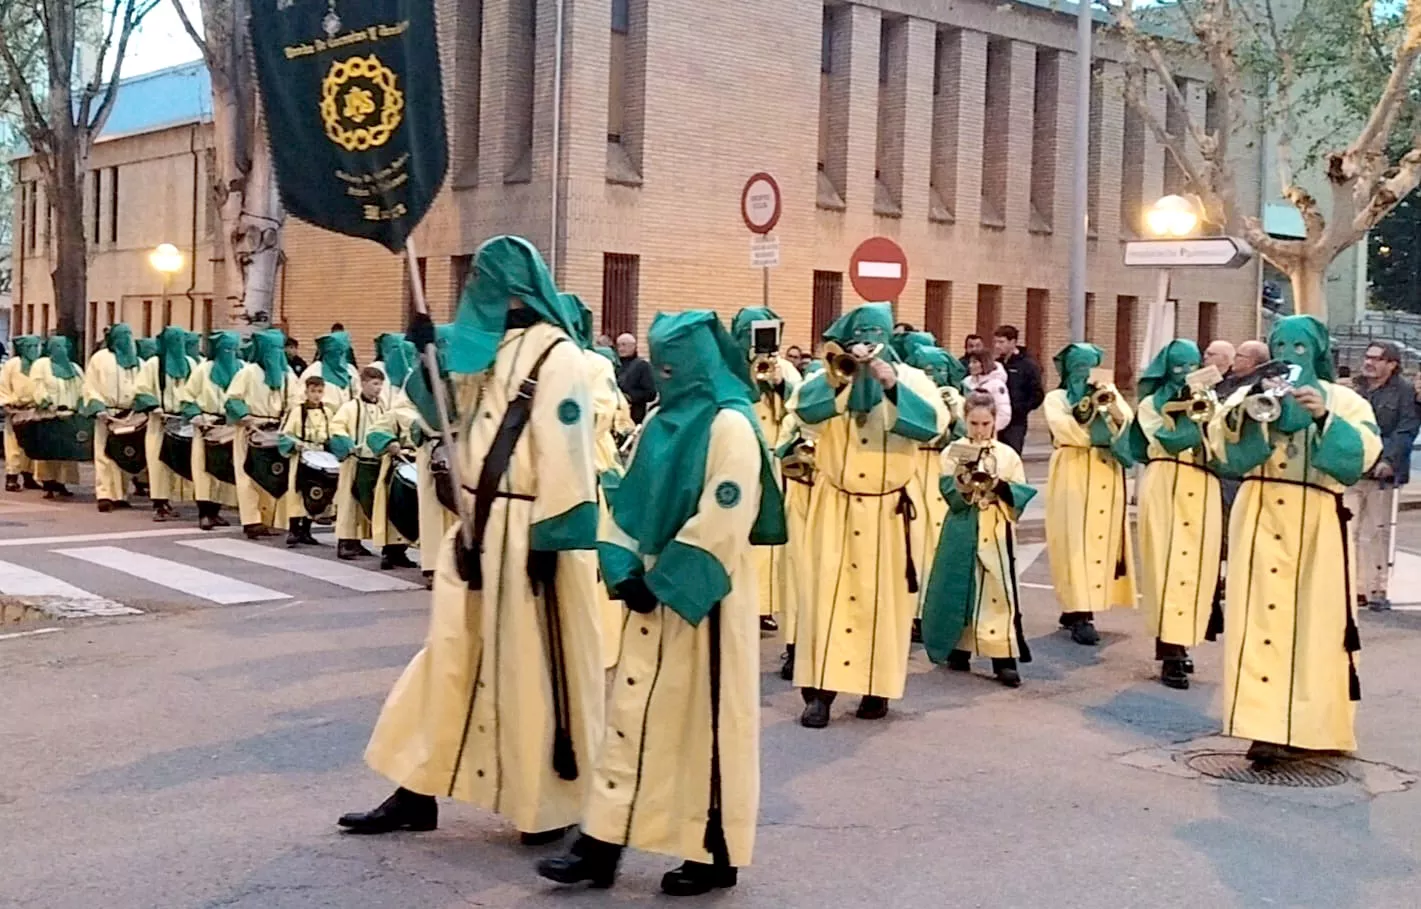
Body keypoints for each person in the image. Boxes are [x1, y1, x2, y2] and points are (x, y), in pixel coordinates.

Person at [343, 235, 604, 850]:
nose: (473, 292)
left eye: (483, 281)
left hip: (530, 531)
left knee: (534, 668)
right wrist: (426, 356)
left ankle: (551, 801)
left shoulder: (557, 356)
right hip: (477, 525)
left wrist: (555, 537)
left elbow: (568, 452)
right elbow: (444, 417)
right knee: (450, 657)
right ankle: (416, 788)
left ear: (513, 290)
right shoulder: (480, 349)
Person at [536, 310, 785, 896]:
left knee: (705, 723)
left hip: (707, 598)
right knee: (633, 717)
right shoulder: (660, 423)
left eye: (675, 365)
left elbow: (726, 515)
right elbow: (628, 500)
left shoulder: (731, 425)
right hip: (653, 590)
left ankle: (714, 848)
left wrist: (667, 581)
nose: (665, 376)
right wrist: (620, 569)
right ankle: (601, 843)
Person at [1209, 315, 1380, 766]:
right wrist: (1248, 418)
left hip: (1317, 521)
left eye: (1301, 347)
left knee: (1316, 627)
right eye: (1282, 345)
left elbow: (1363, 454)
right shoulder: (1251, 390)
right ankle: (1261, 726)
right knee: (1259, 621)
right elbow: (1222, 447)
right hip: (1261, 511)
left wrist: (1323, 416)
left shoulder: (1345, 398)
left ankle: (1312, 725)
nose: (1291, 355)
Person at [790, 303, 949, 728]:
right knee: (826, 596)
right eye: (858, 337)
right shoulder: (828, 374)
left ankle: (875, 689)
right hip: (836, 503)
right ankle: (819, 693)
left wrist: (891, 383)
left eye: (873, 336)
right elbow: (803, 412)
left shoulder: (912, 378)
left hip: (888, 507)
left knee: (885, 600)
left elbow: (934, 424)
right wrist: (841, 380)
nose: (864, 345)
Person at [921, 392, 1036, 687]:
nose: (979, 429)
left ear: (994, 422)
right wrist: (962, 480)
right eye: (973, 423)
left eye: (985, 423)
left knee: (998, 589)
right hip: (963, 523)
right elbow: (947, 490)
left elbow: (1021, 491)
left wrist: (999, 487)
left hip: (995, 527)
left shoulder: (1007, 454)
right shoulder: (952, 452)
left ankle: (1003, 657)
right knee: (961, 584)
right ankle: (960, 647)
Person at [1127, 340, 1223, 690]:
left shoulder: (1210, 398)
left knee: (1197, 565)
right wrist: (1183, 408)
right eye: (1178, 366)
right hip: (1166, 480)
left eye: (1191, 365)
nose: (1184, 372)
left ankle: (1185, 636)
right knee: (1165, 565)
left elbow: (1218, 441)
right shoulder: (1153, 404)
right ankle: (1168, 647)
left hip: (1201, 482)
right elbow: (1167, 438)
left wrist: (1210, 408)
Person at [1044, 343, 1136, 646]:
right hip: (1072, 470)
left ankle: (1084, 605)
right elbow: (1067, 430)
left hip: (1106, 473)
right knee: (1074, 541)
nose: (1084, 374)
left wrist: (1107, 403)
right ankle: (1079, 611)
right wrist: (1100, 434)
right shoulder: (1056, 398)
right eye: (1079, 367)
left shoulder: (1107, 392)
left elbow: (1125, 421)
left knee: (1101, 540)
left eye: (1090, 366)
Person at [569, 294, 635, 667]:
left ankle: (599, 642)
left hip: (590, 468)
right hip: (547, 475)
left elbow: (600, 413)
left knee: (593, 558)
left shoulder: (595, 364)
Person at [732, 306, 803, 634]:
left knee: (772, 535)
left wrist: (778, 384)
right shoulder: (732, 364)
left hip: (774, 453)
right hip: (743, 449)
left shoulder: (785, 367)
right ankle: (741, 599)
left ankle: (764, 605)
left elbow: (799, 405)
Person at [1352, 341, 1420, 611]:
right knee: (1349, 529)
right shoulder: (1356, 388)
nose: (1369, 362)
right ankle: (1353, 586)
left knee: (1377, 533)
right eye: (1367, 357)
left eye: (1376, 359)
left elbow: (1406, 428)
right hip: (1353, 470)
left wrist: (1389, 459)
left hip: (1383, 474)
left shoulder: (1404, 392)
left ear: (1392, 364)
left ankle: (1376, 587)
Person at [329, 366, 416, 569]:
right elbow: (336, 426)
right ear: (363, 383)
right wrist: (347, 444)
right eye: (374, 384)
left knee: (380, 504)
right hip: (356, 460)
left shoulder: (384, 408)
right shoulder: (350, 407)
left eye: (380, 384)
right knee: (350, 502)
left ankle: (393, 548)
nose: (377, 389)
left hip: (378, 461)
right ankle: (346, 541)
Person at [400, 322, 459, 588]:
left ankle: (460, 560)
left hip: (462, 447)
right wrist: (418, 426)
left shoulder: (461, 375)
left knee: (461, 506)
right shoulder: (414, 379)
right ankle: (434, 564)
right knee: (434, 507)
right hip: (431, 447)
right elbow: (403, 409)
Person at [225, 328, 299, 539]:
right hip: (251, 430)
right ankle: (252, 521)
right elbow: (232, 399)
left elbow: (296, 400)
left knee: (275, 474)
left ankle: (271, 519)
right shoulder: (248, 372)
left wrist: (289, 419)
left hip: (277, 430)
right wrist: (244, 414)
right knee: (248, 474)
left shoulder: (287, 375)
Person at [132, 325, 196, 521]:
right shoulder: (154, 364)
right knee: (158, 461)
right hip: (159, 421)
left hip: (182, 421)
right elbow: (141, 389)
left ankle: (172, 499)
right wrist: (153, 406)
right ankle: (159, 502)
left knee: (178, 460)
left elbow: (194, 389)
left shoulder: (190, 363)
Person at [82, 323, 144, 512]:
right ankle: (105, 494)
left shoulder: (137, 361)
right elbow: (90, 385)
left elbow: (142, 385)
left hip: (129, 414)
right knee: (104, 454)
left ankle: (121, 494)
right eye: (122, 335)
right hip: (106, 414)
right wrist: (97, 406)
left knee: (125, 453)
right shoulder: (100, 359)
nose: (126, 339)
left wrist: (139, 405)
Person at [278, 374, 335, 546]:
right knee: (298, 492)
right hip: (301, 455)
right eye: (313, 391)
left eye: (319, 391)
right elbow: (286, 434)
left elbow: (331, 433)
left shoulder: (327, 412)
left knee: (315, 491)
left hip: (319, 453)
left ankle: (307, 529)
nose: (316, 395)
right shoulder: (298, 411)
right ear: (306, 392)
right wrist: (296, 445)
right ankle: (294, 529)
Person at [26, 337, 84, 498]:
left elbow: (83, 388)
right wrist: (46, 402)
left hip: (70, 416)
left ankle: (62, 482)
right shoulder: (41, 365)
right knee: (48, 451)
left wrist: (80, 404)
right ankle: (48, 483)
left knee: (67, 452)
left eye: (65, 346)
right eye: (57, 346)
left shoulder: (75, 368)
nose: (62, 349)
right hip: (49, 415)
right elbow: (37, 385)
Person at [993, 326, 1044, 453]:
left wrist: (1020, 409)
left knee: (1011, 455)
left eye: (1001, 342)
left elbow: (1037, 394)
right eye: (996, 342)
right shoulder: (997, 364)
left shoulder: (1027, 365)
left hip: (1016, 423)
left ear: (1013, 342)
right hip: (996, 419)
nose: (997, 346)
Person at [1, 335, 42, 491]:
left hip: (34, 410)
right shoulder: (12, 365)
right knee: (14, 445)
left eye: (35, 347)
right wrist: (6, 404)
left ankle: (29, 476)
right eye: (30, 347)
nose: (33, 350)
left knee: (32, 444)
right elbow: (3, 385)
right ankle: (12, 477)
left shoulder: (39, 365)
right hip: (16, 409)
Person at [301, 330, 359, 410]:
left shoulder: (351, 371)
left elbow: (358, 396)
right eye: (336, 352)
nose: (339, 357)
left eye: (342, 353)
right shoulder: (313, 371)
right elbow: (301, 399)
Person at [963, 349, 1012, 432]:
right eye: (970, 362)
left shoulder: (996, 384)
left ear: (984, 363)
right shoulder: (966, 382)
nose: (970, 365)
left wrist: (989, 429)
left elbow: (1003, 413)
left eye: (975, 362)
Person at [615, 333, 657, 423]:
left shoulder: (642, 366)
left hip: (634, 417)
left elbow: (651, 393)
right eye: (618, 345)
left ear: (633, 346)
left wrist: (629, 397)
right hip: (618, 417)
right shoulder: (616, 367)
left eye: (624, 345)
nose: (621, 349)